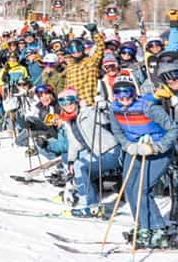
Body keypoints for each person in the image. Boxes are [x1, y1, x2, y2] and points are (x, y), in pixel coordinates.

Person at [109, 75, 178, 248]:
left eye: (128, 92)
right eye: (119, 92)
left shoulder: (148, 108)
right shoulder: (114, 109)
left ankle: (157, 227)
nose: (124, 97)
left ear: (134, 92)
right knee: (130, 187)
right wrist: (128, 146)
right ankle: (143, 225)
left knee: (142, 188)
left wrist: (157, 146)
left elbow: (173, 128)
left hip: (158, 151)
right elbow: (117, 131)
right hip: (135, 149)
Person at [56, 88, 121, 217]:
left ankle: (91, 206)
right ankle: (78, 193)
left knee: (80, 166)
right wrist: (70, 161)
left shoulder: (88, 112)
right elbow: (74, 144)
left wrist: (103, 108)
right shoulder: (68, 121)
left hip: (111, 151)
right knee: (73, 164)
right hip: (96, 152)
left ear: (76, 101)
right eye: (63, 102)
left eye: (70, 101)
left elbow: (105, 120)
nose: (67, 105)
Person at [63, 23, 105, 106]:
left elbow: (100, 47)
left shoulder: (91, 61)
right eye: (73, 51)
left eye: (78, 49)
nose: (76, 53)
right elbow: (67, 86)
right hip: (74, 105)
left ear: (82, 49)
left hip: (89, 102)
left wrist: (94, 32)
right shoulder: (70, 66)